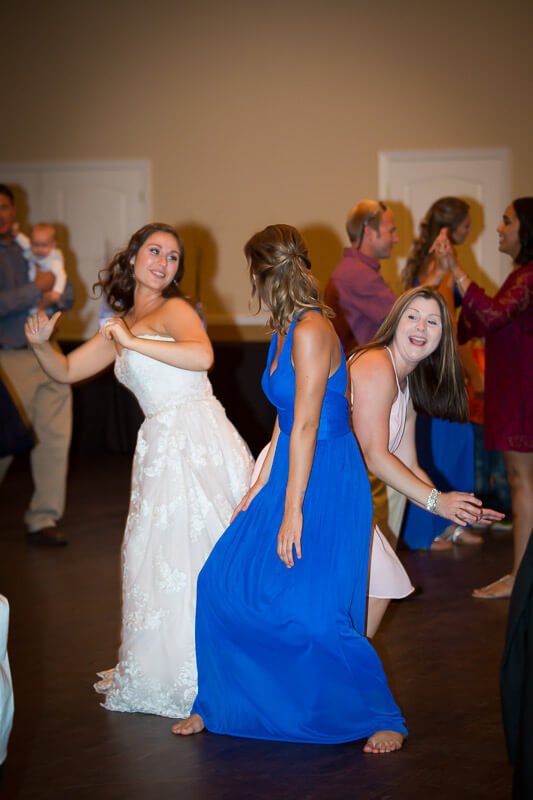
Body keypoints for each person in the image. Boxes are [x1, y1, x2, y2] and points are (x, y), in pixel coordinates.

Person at [173, 224, 407, 753]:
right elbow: (284, 422)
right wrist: (260, 487)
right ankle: (219, 703)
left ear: (260, 273)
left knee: (318, 611)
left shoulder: (310, 329)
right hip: (291, 469)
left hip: (328, 472)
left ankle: (381, 714)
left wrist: (292, 510)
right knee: (219, 583)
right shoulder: (282, 327)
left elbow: (306, 426)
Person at [25, 222, 254, 718]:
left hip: (197, 436)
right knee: (158, 558)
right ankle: (172, 667)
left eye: (173, 257)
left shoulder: (172, 309)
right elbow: (65, 371)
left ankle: (227, 666)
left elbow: (202, 355)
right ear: (133, 258)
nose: (164, 262)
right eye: (155, 251)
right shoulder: (122, 321)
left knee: (206, 549)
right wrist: (43, 344)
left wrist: (131, 339)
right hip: (158, 446)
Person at [349, 287, 504, 634]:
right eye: (412, 317)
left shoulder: (405, 384)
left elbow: (408, 464)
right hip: (318, 488)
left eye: (432, 321)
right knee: (374, 586)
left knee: (373, 591)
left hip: (342, 493)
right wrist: (439, 501)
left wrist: (457, 509)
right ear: (396, 321)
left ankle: (342, 678)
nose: (421, 327)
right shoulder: (376, 364)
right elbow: (375, 456)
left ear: (442, 336)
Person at [442, 197, 533, 598]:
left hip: (523, 395)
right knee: (521, 482)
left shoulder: (529, 276)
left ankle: (520, 580)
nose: (500, 228)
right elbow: (481, 319)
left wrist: (456, 269)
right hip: (515, 391)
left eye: (507, 221)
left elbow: (494, 315)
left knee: (521, 482)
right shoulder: (521, 276)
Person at [400, 197, 482, 550]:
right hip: (438, 369)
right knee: (440, 450)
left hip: (433, 368)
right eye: (466, 224)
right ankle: (432, 529)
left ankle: (448, 524)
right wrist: (474, 373)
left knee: (445, 447)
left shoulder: (432, 262)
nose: (471, 230)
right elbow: (445, 325)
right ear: (450, 228)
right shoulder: (439, 266)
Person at [0, 184, 73, 546]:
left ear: (14, 210)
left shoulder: (30, 246)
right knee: (3, 441)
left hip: (48, 352)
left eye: (5, 207)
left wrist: (57, 284)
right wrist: (36, 290)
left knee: (56, 439)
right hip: (7, 357)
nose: (2, 214)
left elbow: (69, 295)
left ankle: (43, 518)